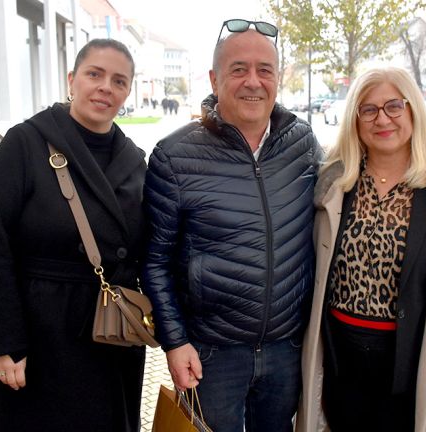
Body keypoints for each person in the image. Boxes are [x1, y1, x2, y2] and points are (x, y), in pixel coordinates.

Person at [295, 66, 426, 432]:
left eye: (393, 106)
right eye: (368, 109)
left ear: (413, 109)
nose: (382, 119)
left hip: (416, 361)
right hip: (341, 359)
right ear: (355, 119)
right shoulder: (334, 184)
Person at [143, 19, 322, 432]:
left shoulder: (303, 145)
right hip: (211, 355)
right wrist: (175, 341)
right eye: (239, 69)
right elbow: (154, 261)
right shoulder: (174, 156)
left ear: (278, 78)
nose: (253, 82)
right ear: (214, 78)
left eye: (265, 70)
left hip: (286, 349)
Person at [0, 39, 147, 432]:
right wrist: (5, 342)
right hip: (42, 336)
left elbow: (147, 249)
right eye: (95, 74)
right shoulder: (25, 143)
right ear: (72, 79)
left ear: (127, 93)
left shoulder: (134, 159)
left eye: (119, 81)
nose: (105, 87)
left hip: (112, 334)